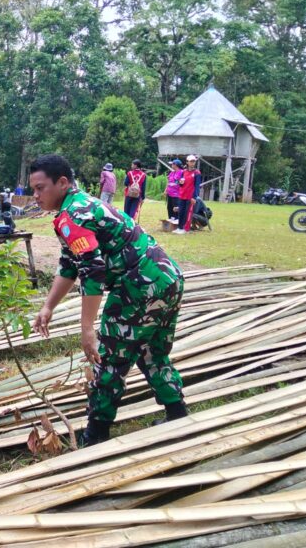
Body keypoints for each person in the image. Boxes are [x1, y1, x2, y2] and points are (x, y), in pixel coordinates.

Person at [29, 154, 186, 446]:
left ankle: (96, 434)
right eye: (34, 189)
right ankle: (178, 414)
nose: (35, 195)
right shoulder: (80, 206)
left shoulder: (73, 215)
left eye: (40, 188)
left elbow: (92, 269)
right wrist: (48, 306)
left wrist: (87, 328)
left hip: (138, 287)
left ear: (62, 183)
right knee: (152, 351)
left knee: (108, 359)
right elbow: (69, 264)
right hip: (168, 279)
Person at [174, 154, 202, 235]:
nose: (192, 163)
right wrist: (180, 183)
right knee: (181, 212)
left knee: (187, 212)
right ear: (187, 162)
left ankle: (185, 229)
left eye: (194, 161)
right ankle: (179, 227)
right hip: (182, 195)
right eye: (191, 161)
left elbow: (197, 186)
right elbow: (180, 183)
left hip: (190, 196)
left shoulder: (197, 173)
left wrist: (194, 197)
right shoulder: (183, 172)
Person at [165, 159, 183, 223]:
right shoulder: (172, 172)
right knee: (169, 207)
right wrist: (166, 190)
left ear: (176, 165)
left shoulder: (181, 172)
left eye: (173, 164)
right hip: (170, 193)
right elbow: (169, 181)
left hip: (177, 194)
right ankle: (171, 219)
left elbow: (182, 182)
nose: (171, 165)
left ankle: (177, 220)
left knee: (176, 208)